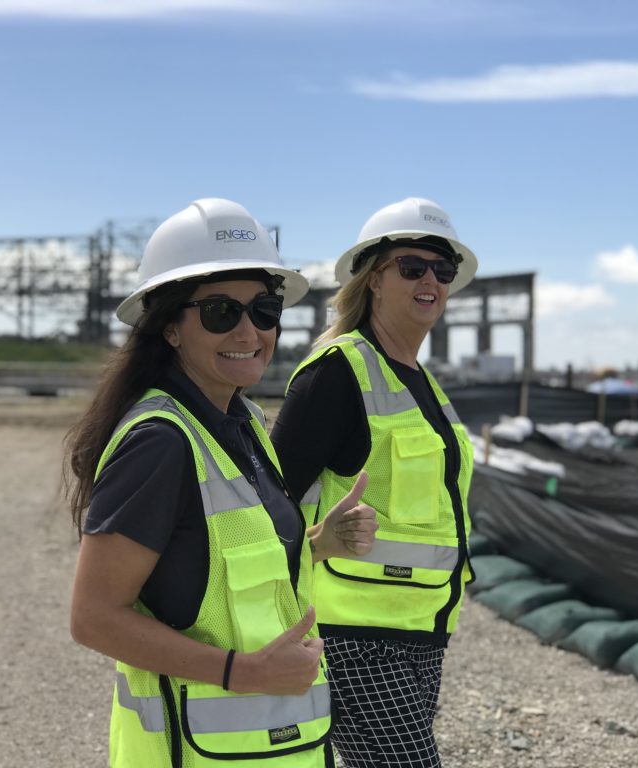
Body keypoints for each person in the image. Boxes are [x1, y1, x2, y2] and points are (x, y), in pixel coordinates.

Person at [64, 198, 377, 768]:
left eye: (264, 309)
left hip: (276, 748)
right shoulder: (160, 442)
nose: (249, 330)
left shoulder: (244, 425)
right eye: (218, 312)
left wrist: (313, 543)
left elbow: (209, 565)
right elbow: (93, 617)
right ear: (171, 328)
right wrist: (244, 672)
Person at [271, 198, 478, 768]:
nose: (431, 279)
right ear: (375, 279)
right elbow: (263, 503)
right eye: (412, 266)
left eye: (443, 269)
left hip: (420, 630)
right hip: (354, 636)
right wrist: (317, 538)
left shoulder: (423, 385)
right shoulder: (336, 374)